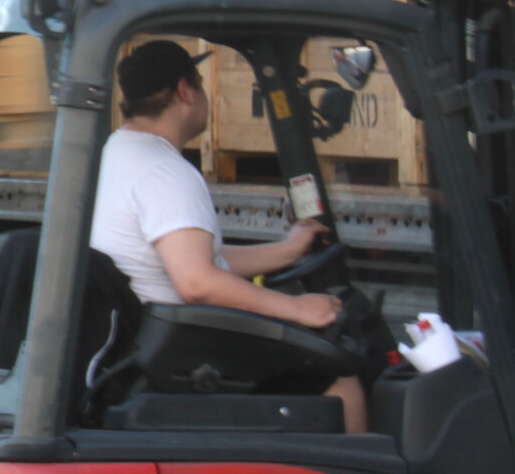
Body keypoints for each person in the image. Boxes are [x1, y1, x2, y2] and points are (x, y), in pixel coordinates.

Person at [90, 39, 367, 434]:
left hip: (151, 342)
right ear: (185, 91)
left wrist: (287, 250)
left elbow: (192, 259)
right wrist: (298, 309)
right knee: (340, 374)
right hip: (182, 352)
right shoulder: (166, 173)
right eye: (200, 84)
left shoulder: (118, 153)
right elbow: (198, 284)